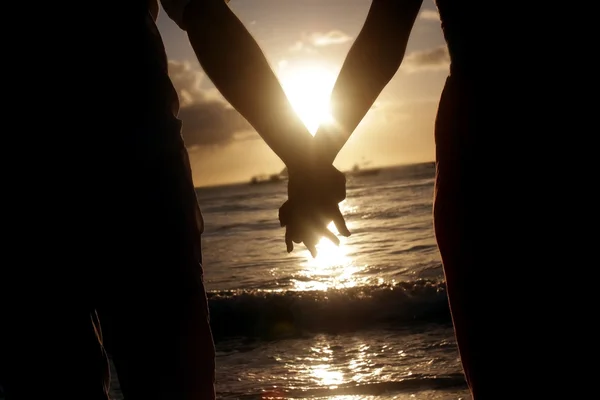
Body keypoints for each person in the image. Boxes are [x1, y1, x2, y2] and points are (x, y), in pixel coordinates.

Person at [0, 0, 348, 399]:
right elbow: (204, 15)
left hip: (67, 194)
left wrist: (303, 160)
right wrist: (302, 162)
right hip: (135, 184)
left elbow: (205, 15)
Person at [279, 0, 495, 398]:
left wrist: (311, 170)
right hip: (477, 143)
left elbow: (383, 37)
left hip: (480, 138)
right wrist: (310, 167)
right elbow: (382, 39)